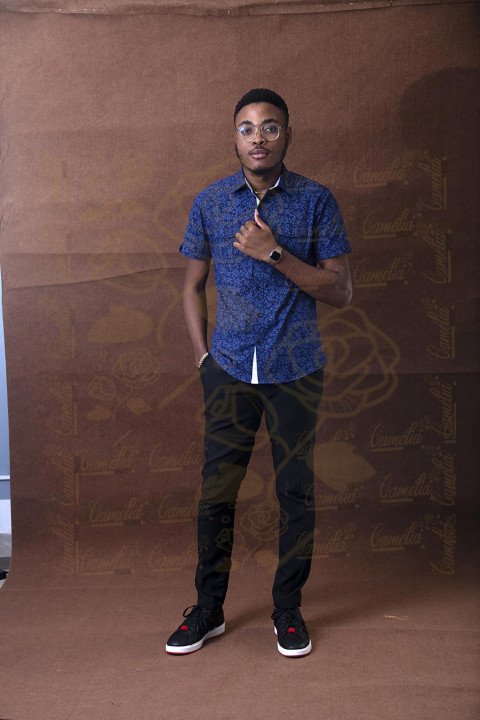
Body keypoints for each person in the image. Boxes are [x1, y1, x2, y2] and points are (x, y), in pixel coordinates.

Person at [165, 88, 352, 657]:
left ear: (288, 135)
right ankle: (208, 609)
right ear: (235, 138)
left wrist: (274, 252)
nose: (258, 138)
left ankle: (288, 610)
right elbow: (191, 287)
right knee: (217, 492)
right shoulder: (210, 201)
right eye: (247, 128)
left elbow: (340, 290)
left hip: (296, 370)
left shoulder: (316, 200)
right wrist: (203, 359)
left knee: (295, 493)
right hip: (227, 370)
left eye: (270, 127)